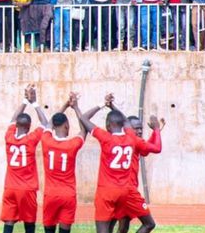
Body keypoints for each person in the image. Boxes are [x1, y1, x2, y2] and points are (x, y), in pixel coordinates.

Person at [72, 95, 157, 233]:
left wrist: (100, 104)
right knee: (125, 226)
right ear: (124, 125)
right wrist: (112, 106)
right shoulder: (131, 137)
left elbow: (84, 118)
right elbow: (125, 121)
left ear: (108, 125)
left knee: (104, 229)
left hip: (106, 191)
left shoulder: (106, 137)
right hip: (124, 192)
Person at [1, 85, 48, 233]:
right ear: (28, 127)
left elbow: (12, 119)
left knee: (9, 221)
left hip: (10, 187)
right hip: (27, 188)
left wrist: (24, 101)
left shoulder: (9, 137)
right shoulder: (30, 140)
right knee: (29, 222)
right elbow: (45, 123)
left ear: (16, 126)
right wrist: (34, 102)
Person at [40, 93, 88, 233]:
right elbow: (84, 130)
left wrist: (65, 105)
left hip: (50, 194)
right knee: (65, 231)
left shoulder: (46, 140)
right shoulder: (72, 144)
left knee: (49, 230)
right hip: (68, 195)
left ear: (54, 127)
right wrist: (76, 108)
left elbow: (49, 123)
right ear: (67, 125)